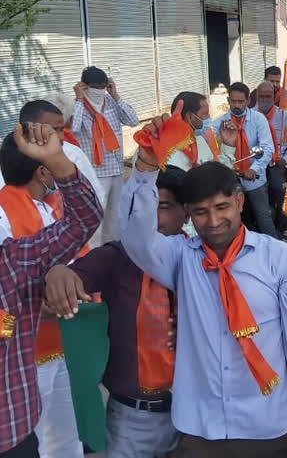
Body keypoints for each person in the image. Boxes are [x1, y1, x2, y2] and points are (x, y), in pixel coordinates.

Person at [119, 141, 287, 458]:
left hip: (268, 424)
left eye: (222, 207)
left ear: (239, 200)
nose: (214, 221)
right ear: (189, 214)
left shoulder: (281, 259)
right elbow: (135, 236)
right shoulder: (180, 258)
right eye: (201, 212)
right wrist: (144, 173)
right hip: (200, 428)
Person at [43, 167, 187, 457]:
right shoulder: (116, 258)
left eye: (164, 208)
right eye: (144, 209)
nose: (152, 220)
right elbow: (69, 280)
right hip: (130, 419)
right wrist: (58, 273)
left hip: (192, 415)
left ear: (186, 212)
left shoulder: (198, 258)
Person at [0, 121, 102, 457]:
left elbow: (84, 222)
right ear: (41, 174)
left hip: (51, 343)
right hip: (33, 346)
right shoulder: (4, 213)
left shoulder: (11, 261)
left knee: (64, 429)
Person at [71, 66, 139, 245]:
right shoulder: (78, 106)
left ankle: (111, 250)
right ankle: (93, 253)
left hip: (116, 168)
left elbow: (133, 120)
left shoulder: (110, 102)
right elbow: (73, 128)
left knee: (115, 215)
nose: (100, 91)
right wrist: (78, 99)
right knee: (95, 217)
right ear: (84, 86)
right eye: (95, 87)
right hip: (95, 172)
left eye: (103, 86)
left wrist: (115, 95)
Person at [9, 100, 106, 211]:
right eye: (53, 130)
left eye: (61, 129)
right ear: (29, 128)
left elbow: (96, 196)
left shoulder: (72, 153)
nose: (60, 137)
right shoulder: (12, 155)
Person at [213, 82, 277, 239]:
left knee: (264, 218)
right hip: (230, 180)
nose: (237, 105)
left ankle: (276, 252)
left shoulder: (258, 119)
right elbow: (213, 151)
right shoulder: (219, 124)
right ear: (228, 101)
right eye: (233, 101)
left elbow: (267, 148)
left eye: (240, 101)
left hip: (254, 176)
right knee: (229, 221)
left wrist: (254, 169)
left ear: (248, 101)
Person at [251, 82, 287, 236]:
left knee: (279, 188)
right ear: (256, 97)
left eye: (268, 96)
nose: (264, 100)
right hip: (254, 164)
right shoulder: (250, 116)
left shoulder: (285, 116)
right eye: (261, 96)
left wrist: (285, 159)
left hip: (276, 164)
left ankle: (283, 221)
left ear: (274, 97)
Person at [167, 92, 236, 171]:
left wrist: (228, 145)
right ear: (190, 116)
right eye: (205, 114)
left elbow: (217, 175)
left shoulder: (199, 140)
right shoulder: (168, 150)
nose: (209, 117)